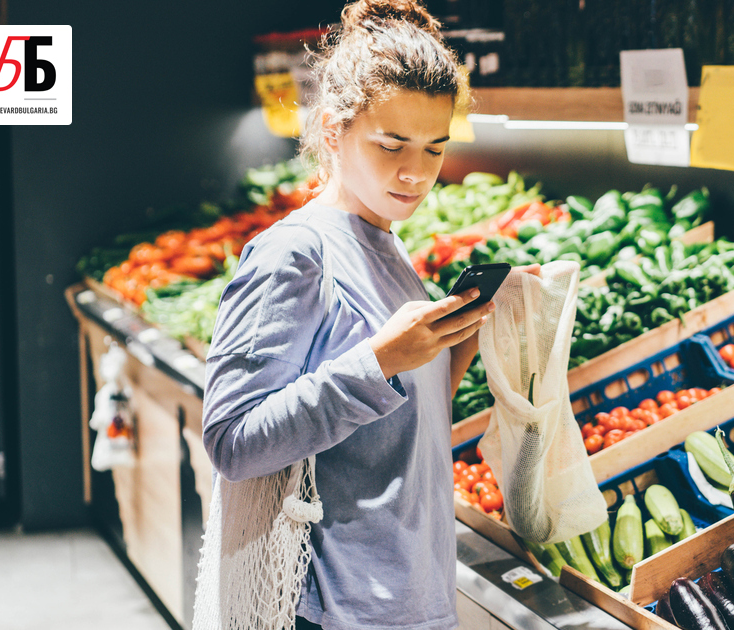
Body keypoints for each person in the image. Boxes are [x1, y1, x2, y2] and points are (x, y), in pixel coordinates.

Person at [202, 1, 535, 628]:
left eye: (435, 149)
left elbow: (392, 422)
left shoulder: (387, 243)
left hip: (410, 593)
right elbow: (231, 442)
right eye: (391, 146)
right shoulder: (293, 254)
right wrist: (379, 360)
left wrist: (468, 329)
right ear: (333, 131)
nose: (415, 173)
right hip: (334, 608)